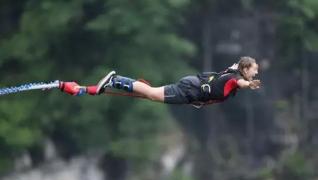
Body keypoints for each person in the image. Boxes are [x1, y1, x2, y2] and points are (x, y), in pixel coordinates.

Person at [59, 56, 261, 107]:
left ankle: (88, 89)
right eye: (254, 70)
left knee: (150, 95)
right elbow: (240, 83)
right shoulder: (236, 79)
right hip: (190, 90)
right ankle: (115, 79)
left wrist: (244, 74)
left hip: (191, 86)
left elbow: (236, 66)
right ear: (245, 70)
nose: (256, 73)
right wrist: (249, 84)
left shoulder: (233, 69)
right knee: (152, 93)